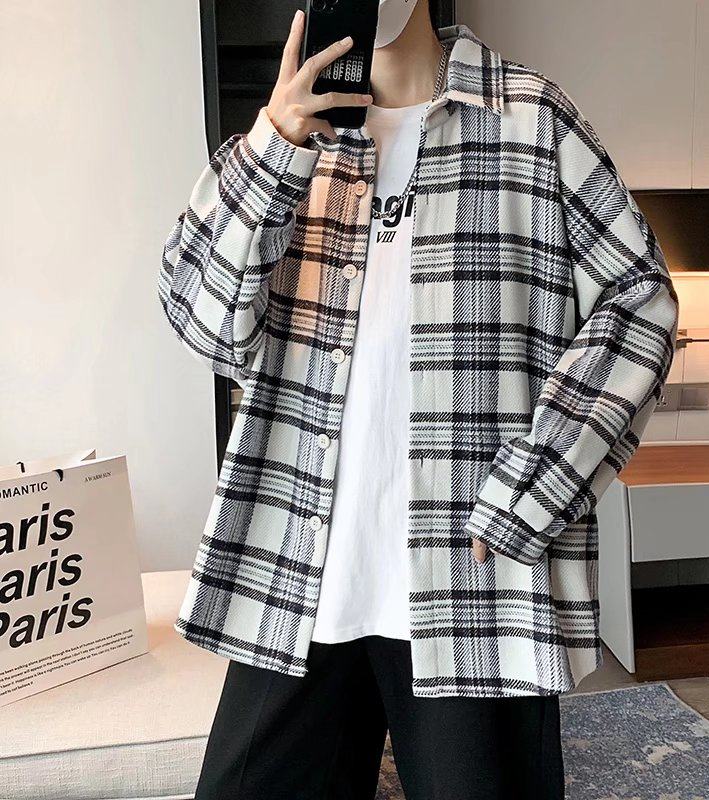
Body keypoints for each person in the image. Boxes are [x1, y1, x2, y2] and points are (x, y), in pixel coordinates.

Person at [157, 1, 679, 797]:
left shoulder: (531, 120)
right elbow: (203, 324)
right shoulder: (287, 140)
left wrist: (533, 487)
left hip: (474, 581)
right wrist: (273, 144)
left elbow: (641, 302)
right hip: (300, 577)